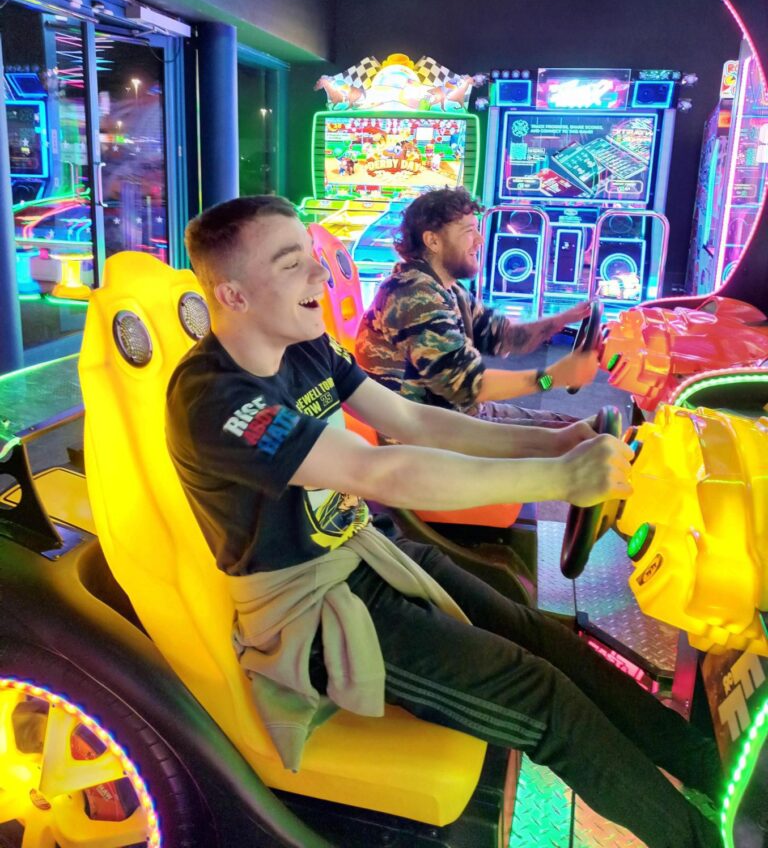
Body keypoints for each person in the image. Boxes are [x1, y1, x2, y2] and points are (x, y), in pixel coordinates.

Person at [166, 195, 723, 848]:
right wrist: (560, 480)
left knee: (551, 644)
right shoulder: (213, 401)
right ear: (232, 295)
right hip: (311, 611)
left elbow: (415, 421)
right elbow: (382, 473)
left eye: (314, 257)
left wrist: (554, 444)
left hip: (368, 553)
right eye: (294, 264)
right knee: (544, 701)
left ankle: (712, 772)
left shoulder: (305, 348)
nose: (321, 276)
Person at [355, 187, 599, 427]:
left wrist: (562, 321)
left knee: (585, 429)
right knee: (581, 444)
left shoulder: (448, 288)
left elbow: (505, 337)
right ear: (433, 241)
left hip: (456, 415)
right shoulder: (414, 295)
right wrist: (552, 378)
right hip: (426, 436)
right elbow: (468, 386)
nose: (480, 240)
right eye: (469, 231)